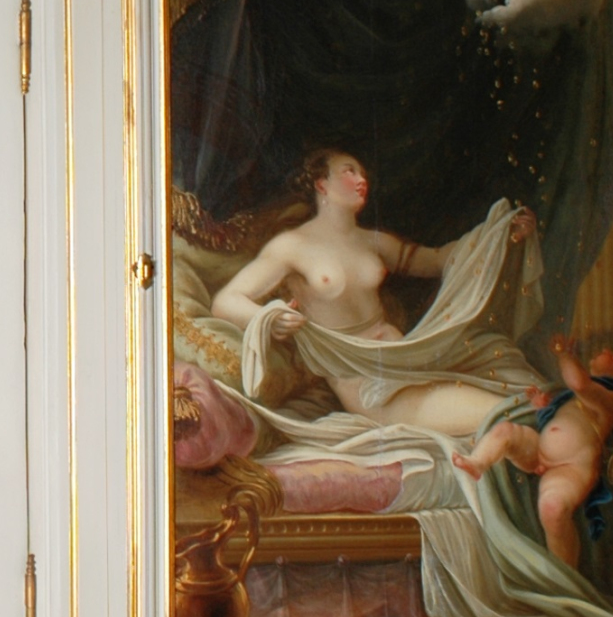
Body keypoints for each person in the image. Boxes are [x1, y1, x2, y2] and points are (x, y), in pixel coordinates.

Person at [211, 148, 539, 438]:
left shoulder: (373, 241)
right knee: (505, 413)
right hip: (365, 383)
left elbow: (438, 259)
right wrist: (269, 317)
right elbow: (225, 301)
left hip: (408, 358)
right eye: (349, 171)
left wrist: (499, 234)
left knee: (518, 387)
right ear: (321, 185)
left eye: (363, 174)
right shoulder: (291, 246)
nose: (361, 180)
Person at [457, 337, 613, 571]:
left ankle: (563, 577)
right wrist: (543, 407)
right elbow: (564, 413)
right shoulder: (575, 397)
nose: (606, 349)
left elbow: (579, 383)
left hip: (571, 468)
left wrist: (563, 353)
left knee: (552, 508)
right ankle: (477, 462)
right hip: (538, 450)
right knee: (505, 431)